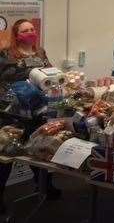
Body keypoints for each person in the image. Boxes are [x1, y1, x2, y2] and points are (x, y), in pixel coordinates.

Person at [0, 19, 61, 213]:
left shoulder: (40, 52)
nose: (30, 32)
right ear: (17, 34)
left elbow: (50, 73)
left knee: (41, 147)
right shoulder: (6, 53)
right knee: (7, 154)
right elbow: (5, 75)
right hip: (14, 113)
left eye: (32, 29)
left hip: (38, 110)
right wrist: (31, 73)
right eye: (25, 30)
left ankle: (44, 185)